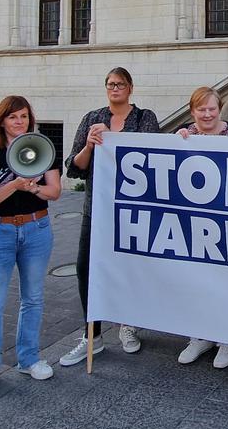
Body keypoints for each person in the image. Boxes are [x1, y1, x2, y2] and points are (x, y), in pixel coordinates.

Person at [60, 67, 159, 366]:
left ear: (130, 88)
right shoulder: (92, 119)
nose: (114, 89)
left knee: (129, 268)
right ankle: (93, 334)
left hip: (132, 210)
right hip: (97, 209)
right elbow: (74, 168)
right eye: (110, 84)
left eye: (120, 84)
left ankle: (128, 324)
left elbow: (153, 157)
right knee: (86, 268)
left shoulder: (145, 118)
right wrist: (90, 145)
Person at [0, 96, 62, 402]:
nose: (19, 121)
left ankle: (29, 359)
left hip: (36, 229)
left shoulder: (42, 148)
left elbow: (55, 192)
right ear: (2, 121)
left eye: (24, 116)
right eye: (13, 117)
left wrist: (33, 187)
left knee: (33, 298)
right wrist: (13, 184)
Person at [175, 86, 228, 370]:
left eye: (212, 109)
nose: (207, 114)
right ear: (192, 111)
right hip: (196, 223)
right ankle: (200, 335)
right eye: (201, 109)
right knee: (198, 279)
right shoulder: (185, 136)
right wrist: (174, 143)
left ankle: (227, 338)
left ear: (220, 109)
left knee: (227, 279)